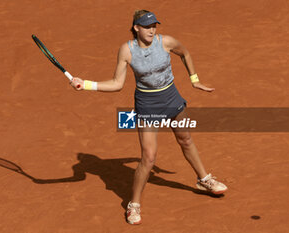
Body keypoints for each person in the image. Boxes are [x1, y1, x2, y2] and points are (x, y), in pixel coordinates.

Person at [71, 10, 227, 225]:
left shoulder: (166, 42)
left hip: (171, 98)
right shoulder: (127, 50)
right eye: (146, 26)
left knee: (186, 140)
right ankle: (133, 205)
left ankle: (204, 179)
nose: (152, 30)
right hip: (148, 105)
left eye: (154, 25)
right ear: (136, 28)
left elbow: (185, 54)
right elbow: (117, 84)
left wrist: (194, 79)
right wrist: (86, 84)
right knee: (149, 157)